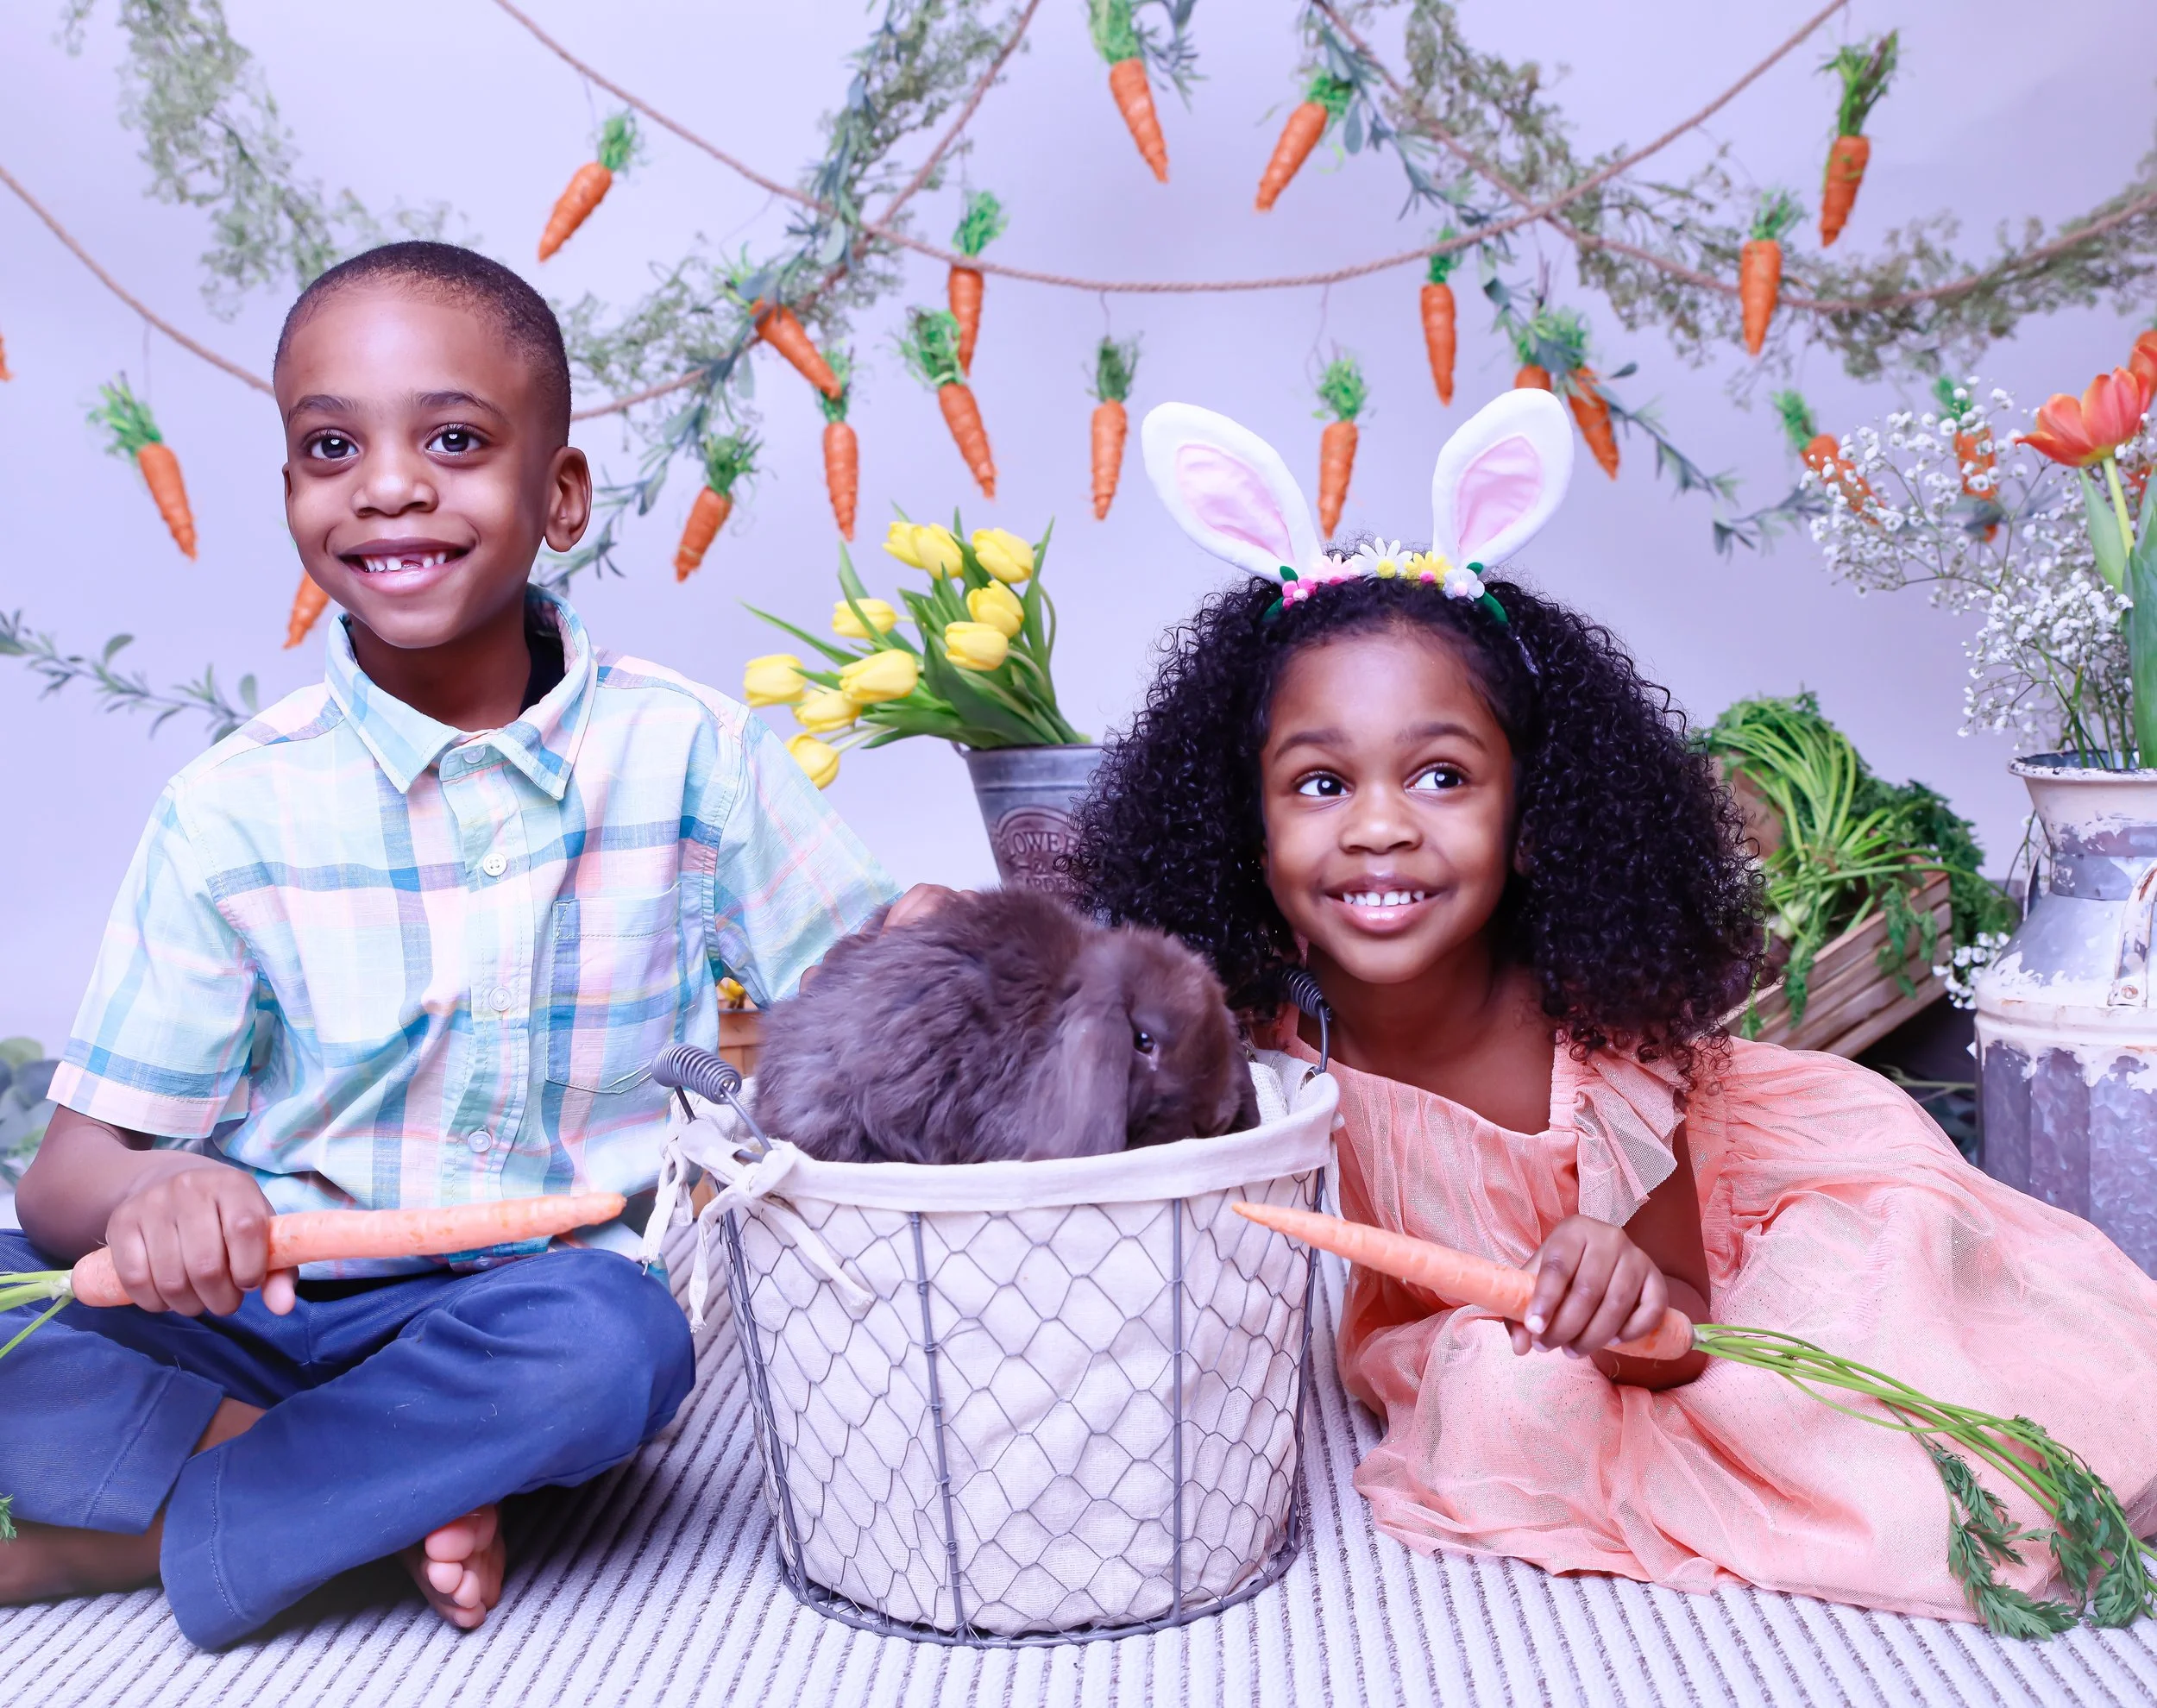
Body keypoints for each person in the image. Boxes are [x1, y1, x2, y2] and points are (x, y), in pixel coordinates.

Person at [1066, 392, 2157, 1621]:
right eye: (1321, 783)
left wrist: (1628, 1285)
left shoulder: (1600, 1032)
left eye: (1441, 776)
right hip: (1519, 1324)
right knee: (1502, 1392)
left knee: (1917, 1479)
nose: (1379, 826)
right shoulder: (1263, 1039)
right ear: (1247, 833)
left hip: (1760, 1240)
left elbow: (1688, 1326)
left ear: (1533, 818)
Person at [0, 242, 926, 1648]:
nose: (387, 484)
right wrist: (163, 1195)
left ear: (559, 496)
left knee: (618, 1352)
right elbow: (70, 1176)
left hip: (526, 1322)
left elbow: (890, 1003)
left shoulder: (690, 757)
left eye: (452, 439)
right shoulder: (235, 806)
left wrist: (993, 958)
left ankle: (108, 1544)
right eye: (330, 446)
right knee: (26, 1334)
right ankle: (395, 1493)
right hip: (264, 1312)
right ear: (294, 489)